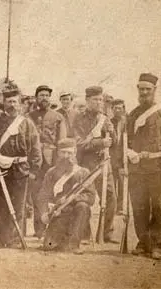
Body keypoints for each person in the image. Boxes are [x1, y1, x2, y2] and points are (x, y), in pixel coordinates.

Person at [0, 83, 42, 248]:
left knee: (19, 204)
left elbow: (35, 147)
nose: (12, 105)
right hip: (0, 167)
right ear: (4, 103)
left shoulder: (27, 123)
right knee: (0, 203)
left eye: (15, 101)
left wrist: (34, 169)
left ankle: (15, 239)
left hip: (21, 168)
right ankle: (0, 239)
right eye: (9, 102)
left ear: (20, 104)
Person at [126, 73, 161, 260]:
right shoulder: (132, 114)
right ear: (138, 90)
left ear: (154, 90)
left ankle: (158, 245)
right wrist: (129, 154)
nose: (144, 93)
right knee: (139, 207)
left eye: (148, 89)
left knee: (158, 207)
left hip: (157, 168)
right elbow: (127, 141)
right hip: (137, 169)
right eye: (141, 89)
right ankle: (144, 242)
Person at [73, 86, 117, 243]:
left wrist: (112, 132)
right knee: (85, 198)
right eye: (95, 100)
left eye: (100, 99)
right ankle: (85, 234)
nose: (99, 103)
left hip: (104, 163)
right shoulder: (79, 119)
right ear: (87, 101)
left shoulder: (105, 118)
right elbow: (79, 143)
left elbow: (114, 143)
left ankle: (106, 233)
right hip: (87, 165)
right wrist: (100, 142)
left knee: (111, 197)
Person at [38, 138, 96, 255]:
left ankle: (74, 244)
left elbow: (90, 197)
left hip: (76, 215)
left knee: (83, 206)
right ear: (58, 153)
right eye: (63, 152)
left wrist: (74, 199)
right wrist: (45, 212)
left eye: (69, 153)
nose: (66, 156)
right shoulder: (51, 172)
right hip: (58, 214)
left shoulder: (83, 172)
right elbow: (43, 196)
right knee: (49, 246)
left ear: (75, 153)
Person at [28, 85, 67, 238]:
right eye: (41, 95)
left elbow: (62, 141)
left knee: (54, 194)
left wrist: (60, 162)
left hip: (52, 159)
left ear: (50, 98)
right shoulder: (29, 116)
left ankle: (54, 229)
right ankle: (39, 230)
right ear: (36, 98)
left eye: (46, 95)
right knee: (37, 194)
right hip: (35, 161)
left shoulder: (58, 117)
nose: (44, 98)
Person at [110, 99, 127, 214]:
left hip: (122, 158)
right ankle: (112, 207)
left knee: (121, 183)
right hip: (111, 157)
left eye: (119, 108)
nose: (117, 110)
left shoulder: (126, 123)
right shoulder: (109, 122)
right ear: (112, 109)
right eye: (115, 108)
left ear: (123, 109)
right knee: (111, 183)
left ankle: (120, 207)